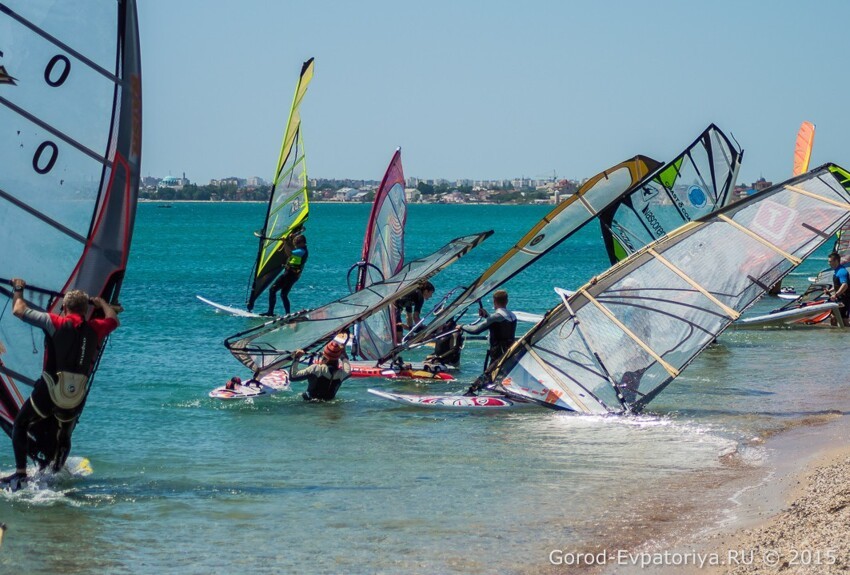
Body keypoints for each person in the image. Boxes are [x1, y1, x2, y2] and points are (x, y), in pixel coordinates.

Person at [1, 278, 119, 490]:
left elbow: (18, 310)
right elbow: (113, 319)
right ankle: (55, 473)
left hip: (49, 392)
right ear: (85, 310)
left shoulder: (55, 322)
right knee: (64, 432)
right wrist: (101, 303)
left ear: (64, 307)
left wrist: (18, 288)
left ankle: (20, 475)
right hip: (75, 397)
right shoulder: (96, 328)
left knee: (20, 424)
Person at [461, 290, 517, 372]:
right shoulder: (512, 315)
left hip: (497, 353)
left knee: (489, 377)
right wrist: (487, 316)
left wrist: (462, 326)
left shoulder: (495, 317)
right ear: (507, 301)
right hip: (509, 351)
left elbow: (476, 330)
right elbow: (499, 324)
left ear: (494, 301)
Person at [259, 233, 308, 316]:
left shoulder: (302, 251)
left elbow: (289, 253)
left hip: (289, 274)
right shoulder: (300, 250)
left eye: (297, 244)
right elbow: (292, 251)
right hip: (294, 276)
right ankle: (287, 314)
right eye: (295, 244)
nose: (296, 245)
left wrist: (284, 243)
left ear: (302, 243)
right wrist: (290, 239)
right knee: (283, 294)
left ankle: (270, 312)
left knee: (272, 290)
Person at [824, 251, 850, 326]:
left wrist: (835, 295)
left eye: (830, 261)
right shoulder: (837, 270)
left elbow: (845, 285)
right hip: (839, 298)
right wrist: (830, 290)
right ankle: (835, 335)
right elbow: (838, 285)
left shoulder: (842, 271)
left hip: (844, 299)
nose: (828, 263)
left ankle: (845, 334)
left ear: (836, 261)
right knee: (833, 317)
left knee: (844, 320)